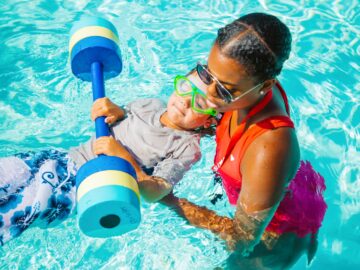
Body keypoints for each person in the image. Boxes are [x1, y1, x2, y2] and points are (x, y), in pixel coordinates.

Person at [160, 12, 327, 269]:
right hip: (280, 185)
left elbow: (241, 238)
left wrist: (169, 200)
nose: (210, 94)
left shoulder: (268, 147)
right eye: (208, 75)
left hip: (277, 233)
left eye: (226, 89)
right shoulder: (244, 86)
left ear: (266, 85)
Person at [0, 88, 217, 246]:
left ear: (208, 121)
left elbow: (155, 192)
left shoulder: (187, 147)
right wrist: (116, 112)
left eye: (199, 102)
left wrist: (124, 158)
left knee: (11, 214)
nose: (186, 101)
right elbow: (124, 119)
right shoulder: (149, 103)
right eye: (186, 88)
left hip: (78, 189)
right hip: (59, 158)